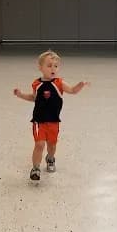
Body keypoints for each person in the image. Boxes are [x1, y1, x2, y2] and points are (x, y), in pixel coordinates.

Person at [13, 50, 89, 181]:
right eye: (49, 65)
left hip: (53, 121)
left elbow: (72, 90)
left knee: (52, 145)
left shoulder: (59, 83)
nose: (53, 68)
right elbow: (34, 98)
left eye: (55, 66)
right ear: (40, 67)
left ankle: (50, 158)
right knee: (39, 144)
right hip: (39, 121)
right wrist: (20, 95)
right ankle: (35, 168)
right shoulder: (36, 84)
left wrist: (80, 85)